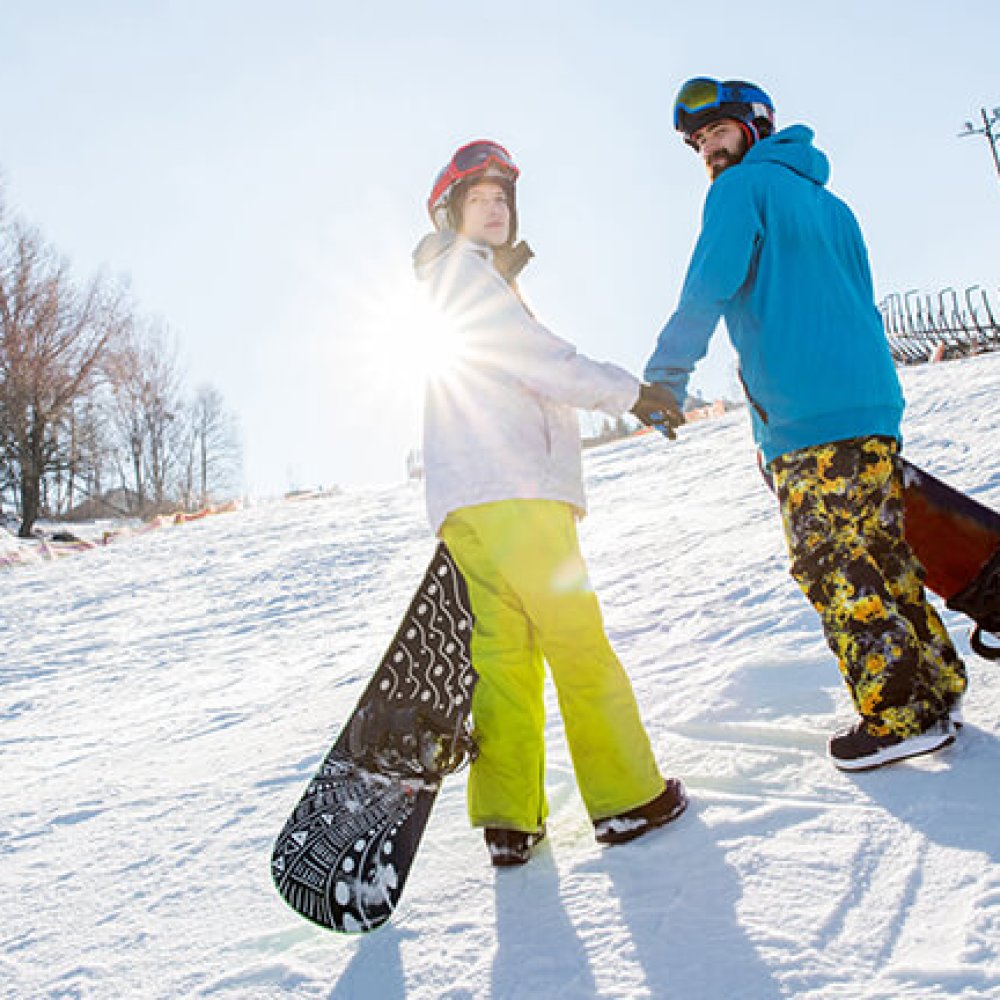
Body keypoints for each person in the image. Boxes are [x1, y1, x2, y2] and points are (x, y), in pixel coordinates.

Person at [643, 79, 968, 772]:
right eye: (698, 142)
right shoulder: (832, 203)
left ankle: (900, 713)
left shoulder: (738, 192)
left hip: (808, 417)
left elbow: (709, 286)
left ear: (754, 125)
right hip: (870, 408)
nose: (706, 147)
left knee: (833, 561)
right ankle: (935, 689)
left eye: (717, 130)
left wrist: (666, 378)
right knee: (880, 552)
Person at [413, 139, 686, 866]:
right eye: (481, 199)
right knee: (575, 640)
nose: (497, 208)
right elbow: (543, 363)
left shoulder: (450, 282)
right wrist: (635, 394)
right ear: (451, 212)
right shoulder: (470, 283)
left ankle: (509, 817)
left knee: (503, 658)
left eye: (503, 198)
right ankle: (628, 798)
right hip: (518, 493)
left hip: (466, 504)